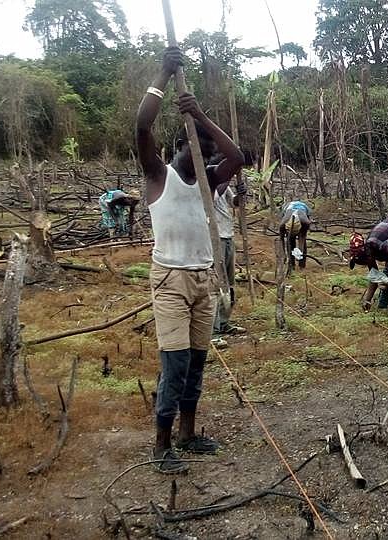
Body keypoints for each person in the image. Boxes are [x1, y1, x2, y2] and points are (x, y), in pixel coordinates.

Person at [136, 46, 246, 473]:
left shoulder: (211, 184)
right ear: (179, 146)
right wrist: (163, 76)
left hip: (203, 279)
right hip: (170, 280)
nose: (203, 159)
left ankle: (188, 433)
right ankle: (161, 444)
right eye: (196, 150)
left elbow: (236, 157)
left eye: (207, 154)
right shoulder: (157, 176)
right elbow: (143, 125)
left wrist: (200, 115)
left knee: (197, 360)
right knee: (176, 361)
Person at [212, 178, 238, 335]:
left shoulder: (224, 185)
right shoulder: (207, 181)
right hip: (215, 237)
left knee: (228, 283)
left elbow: (234, 203)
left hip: (228, 235)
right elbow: (214, 197)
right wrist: (227, 176)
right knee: (217, 282)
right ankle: (213, 329)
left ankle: (223, 322)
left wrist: (240, 195)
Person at [279, 200, 311, 270]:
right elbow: (281, 239)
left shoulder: (305, 222)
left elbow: (302, 238)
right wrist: (284, 254)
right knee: (290, 243)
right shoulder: (282, 224)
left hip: (302, 222)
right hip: (290, 226)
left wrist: (300, 252)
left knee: (302, 242)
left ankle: (301, 265)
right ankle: (291, 265)